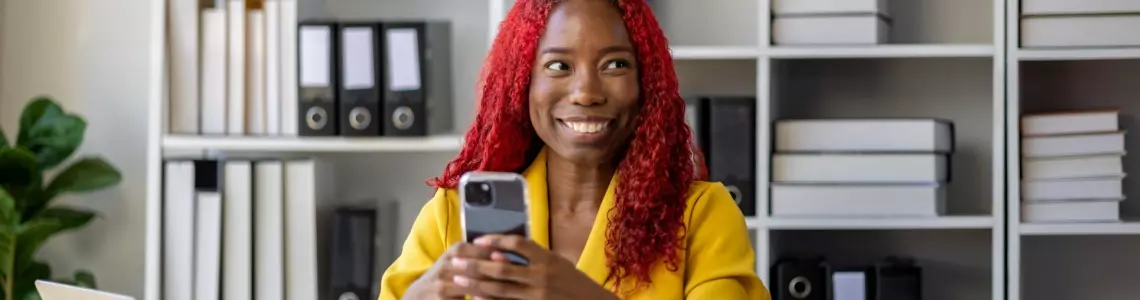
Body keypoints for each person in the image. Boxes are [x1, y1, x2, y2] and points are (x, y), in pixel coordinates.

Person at [378, 0, 769, 299]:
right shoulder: (451, 216)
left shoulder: (703, 215)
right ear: (522, 84)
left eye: (615, 64)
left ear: (646, 83)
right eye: (559, 66)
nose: (586, 93)